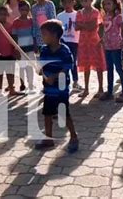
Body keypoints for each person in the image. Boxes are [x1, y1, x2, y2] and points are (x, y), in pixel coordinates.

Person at [34, 20, 79, 153]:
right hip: (48, 90)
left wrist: (54, 76)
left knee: (63, 113)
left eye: (44, 34)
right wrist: (40, 70)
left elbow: (67, 66)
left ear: (54, 35)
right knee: (47, 114)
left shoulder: (64, 50)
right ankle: (48, 138)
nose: (42, 37)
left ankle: (74, 136)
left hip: (61, 89)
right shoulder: (44, 50)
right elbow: (41, 67)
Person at [75, 0, 106, 98]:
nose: (84, 3)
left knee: (98, 65)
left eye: (86, 0)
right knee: (85, 65)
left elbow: (93, 26)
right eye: (82, 1)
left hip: (94, 41)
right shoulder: (79, 12)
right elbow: (76, 27)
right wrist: (85, 25)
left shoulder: (95, 12)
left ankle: (101, 88)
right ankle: (86, 89)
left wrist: (83, 25)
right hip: (83, 42)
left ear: (92, 0)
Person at [101, 0, 123, 103]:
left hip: (116, 46)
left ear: (115, 4)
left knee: (119, 68)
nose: (107, 6)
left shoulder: (118, 17)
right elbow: (105, 30)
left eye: (109, 3)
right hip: (107, 46)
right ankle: (109, 92)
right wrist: (102, 39)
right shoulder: (105, 16)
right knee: (109, 69)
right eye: (105, 4)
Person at [0, 6, 17, 95]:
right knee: (0, 72)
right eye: (0, 14)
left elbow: (13, 40)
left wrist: (14, 51)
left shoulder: (10, 26)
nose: (2, 16)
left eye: (4, 14)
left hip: (9, 53)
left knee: (10, 73)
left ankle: (11, 89)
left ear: (7, 15)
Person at [56, 0, 80, 89]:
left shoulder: (78, 14)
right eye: (65, 2)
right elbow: (57, 29)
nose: (67, 4)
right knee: (63, 62)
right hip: (63, 41)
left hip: (74, 41)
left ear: (74, 2)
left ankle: (75, 81)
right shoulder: (60, 16)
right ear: (62, 4)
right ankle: (64, 81)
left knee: (73, 62)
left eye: (69, 2)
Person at [11, 0, 35, 93]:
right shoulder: (16, 22)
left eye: (26, 9)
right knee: (22, 67)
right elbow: (14, 36)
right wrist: (16, 49)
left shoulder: (32, 21)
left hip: (30, 47)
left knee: (30, 67)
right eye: (22, 9)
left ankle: (31, 84)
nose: (24, 11)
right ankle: (22, 84)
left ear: (29, 10)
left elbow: (34, 34)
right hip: (21, 48)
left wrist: (35, 46)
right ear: (19, 10)